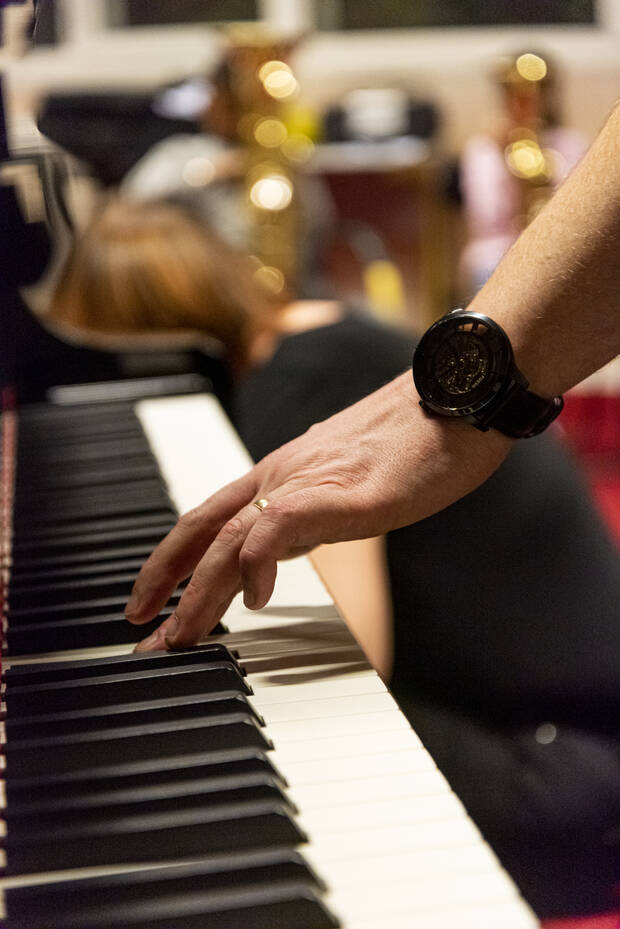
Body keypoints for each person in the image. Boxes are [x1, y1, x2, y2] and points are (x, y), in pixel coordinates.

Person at [49, 162, 620, 911]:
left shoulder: (303, 374)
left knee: (284, 748)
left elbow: (353, 642)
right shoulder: (317, 327)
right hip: (556, 724)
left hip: (564, 764)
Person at [459, 50, 589, 293]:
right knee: (489, 269)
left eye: (531, 95)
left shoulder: (570, 144)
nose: (523, 104)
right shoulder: (484, 148)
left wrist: (546, 173)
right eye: (515, 95)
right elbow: (485, 218)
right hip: (497, 252)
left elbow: (580, 212)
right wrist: (505, 162)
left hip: (558, 249)